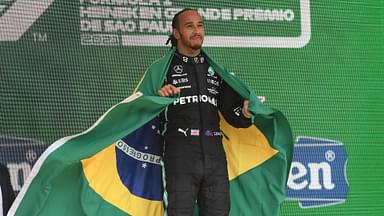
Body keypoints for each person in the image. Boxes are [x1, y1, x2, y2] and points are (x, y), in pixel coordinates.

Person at [157, 8, 252, 216]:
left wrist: (245, 113)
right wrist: (159, 99)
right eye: (189, 26)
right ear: (176, 33)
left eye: (200, 25)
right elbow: (143, 109)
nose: (197, 30)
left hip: (215, 157)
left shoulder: (216, 70)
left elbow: (231, 113)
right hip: (180, 156)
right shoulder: (162, 70)